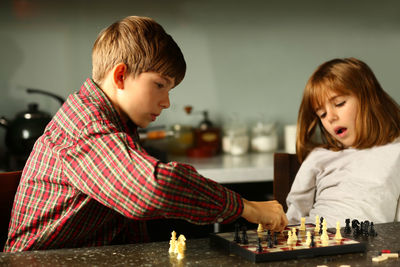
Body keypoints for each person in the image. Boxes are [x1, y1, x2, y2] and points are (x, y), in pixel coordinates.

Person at [4, 16, 287, 252]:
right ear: (120, 76)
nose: (166, 102)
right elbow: (152, 188)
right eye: (160, 85)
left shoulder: (112, 120)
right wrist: (246, 207)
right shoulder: (84, 126)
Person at [286, 57, 400, 227]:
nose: (331, 118)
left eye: (339, 104)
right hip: (315, 241)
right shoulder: (319, 157)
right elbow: (294, 216)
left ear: (368, 98)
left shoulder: (395, 152)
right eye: (322, 114)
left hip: (370, 246)